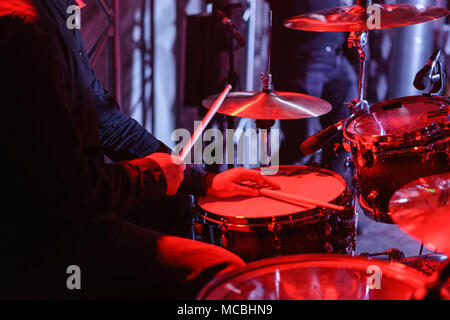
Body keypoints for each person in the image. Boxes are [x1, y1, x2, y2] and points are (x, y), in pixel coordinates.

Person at [0, 0, 278, 299]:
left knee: (175, 204)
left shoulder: (58, 14)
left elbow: (109, 122)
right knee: (225, 273)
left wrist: (201, 181)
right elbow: (68, 189)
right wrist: (153, 177)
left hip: (71, 213)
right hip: (44, 237)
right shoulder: (27, 29)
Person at [267, 0, 358, 177]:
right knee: (303, 143)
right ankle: (272, 188)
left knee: (348, 131)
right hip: (302, 55)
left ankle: (331, 195)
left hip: (337, 51)